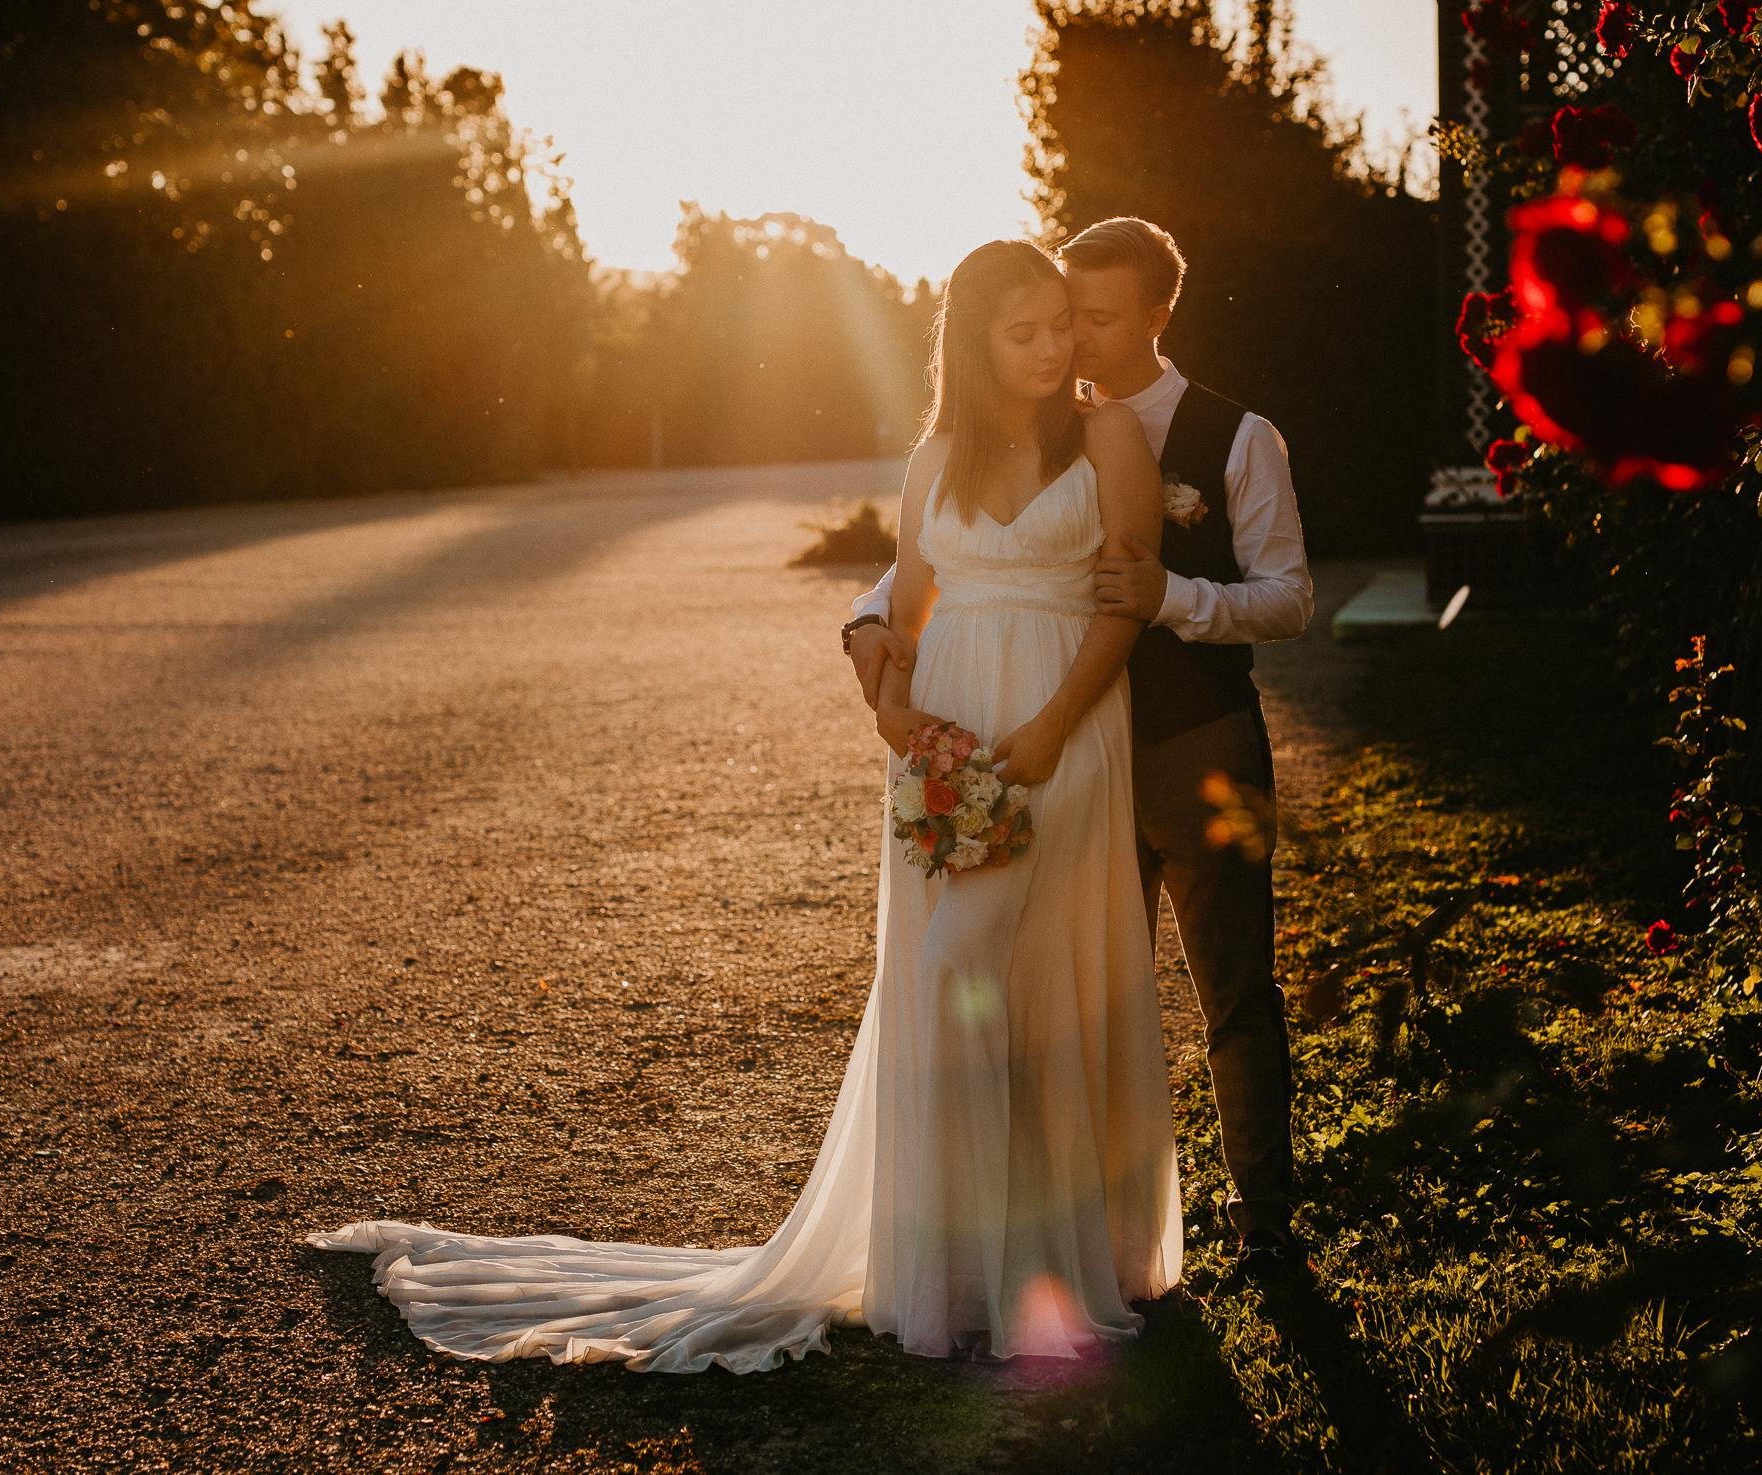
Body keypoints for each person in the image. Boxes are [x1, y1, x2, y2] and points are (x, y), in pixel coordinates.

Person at [304, 238, 1185, 1369]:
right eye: (1025, 331)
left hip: (1066, 721)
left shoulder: (1106, 432)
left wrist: (1060, 718)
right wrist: (892, 706)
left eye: (1062, 324)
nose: (1055, 346)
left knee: (1051, 970)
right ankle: (959, 1266)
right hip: (953, 736)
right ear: (972, 342)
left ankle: (1066, 1257)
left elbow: (1124, 592)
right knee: (949, 973)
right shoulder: (935, 457)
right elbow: (910, 597)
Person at [846, 216, 1314, 1273]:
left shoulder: (1231, 435)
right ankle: (1009, 1239)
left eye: (1091, 320)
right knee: (1045, 985)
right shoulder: (999, 431)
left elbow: (1288, 600)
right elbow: (922, 576)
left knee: (1230, 987)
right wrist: (869, 642)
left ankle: (1266, 1223)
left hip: (1184, 742)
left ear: (1156, 317)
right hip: (1025, 744)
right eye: (1058, 317)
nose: (1072, 343)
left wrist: (1173, 595)